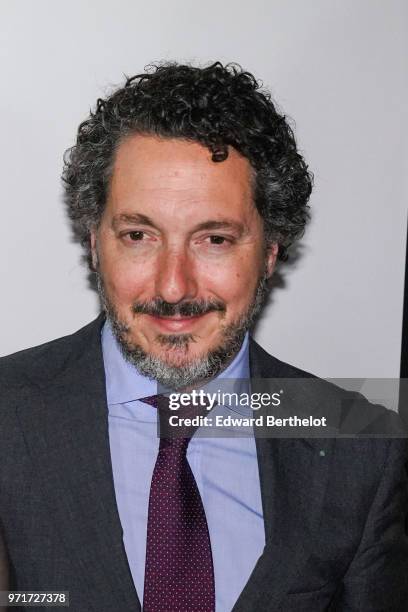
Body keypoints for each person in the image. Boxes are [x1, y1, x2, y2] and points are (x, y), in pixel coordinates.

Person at [0, 62, 407, 612]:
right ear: (95, 241)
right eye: (139, 235)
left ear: (270, 251)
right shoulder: (9, 413)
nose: (173, 287)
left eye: (214, 239)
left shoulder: (365, 444)